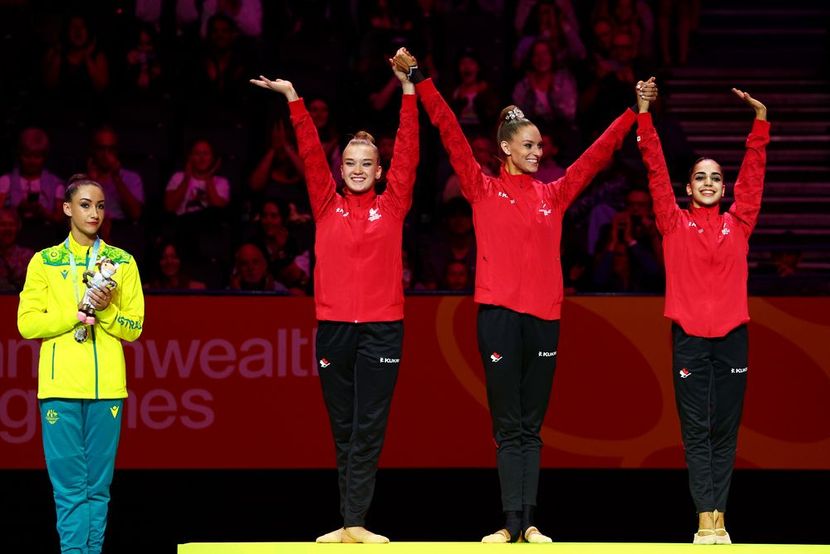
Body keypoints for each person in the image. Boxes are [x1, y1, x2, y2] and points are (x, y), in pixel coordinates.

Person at [393, 47, 656, 543]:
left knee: (531, 427)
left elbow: (596, 156)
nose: (539, 152)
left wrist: (632, 111)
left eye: (540, 145)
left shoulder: (553, 194)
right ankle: (508, 522)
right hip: (496, 315)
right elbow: (449, 130)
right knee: (507, 425)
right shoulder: (480, 187)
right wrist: (420, 79)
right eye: (531, 145)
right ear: (508, 149)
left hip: (543, 318)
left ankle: (527, 522)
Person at [250, 50, 418, 544]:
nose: (357, 169)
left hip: (383, 328)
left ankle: (355, 523)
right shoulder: (325, 205)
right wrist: (293, 99)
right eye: (349, 162)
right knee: (343, 428)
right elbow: (306, 151)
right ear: (340, 167)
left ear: (380, 171)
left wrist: (408, 90)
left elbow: (408, 151)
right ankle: (349, 522)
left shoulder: (392, 205)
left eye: (367, 163)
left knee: (368, 428)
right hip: (334, 328)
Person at [636, 85, 769, 545]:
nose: (708, 182)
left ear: (724, 187)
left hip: (733, 335)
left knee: (724, 428)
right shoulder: (672, 222)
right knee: (696, 429)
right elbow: (654, 167)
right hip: (690, 337)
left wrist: (760, 123)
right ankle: (703, 519)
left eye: (715, 177)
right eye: (700, 177)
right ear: (688, 187)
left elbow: (754, 177)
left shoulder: (741, 222)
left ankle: (721, 518)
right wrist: (644, 114)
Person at [17, 174, 145, 554]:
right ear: (67, 209)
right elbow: (27, 323)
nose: (94, 212)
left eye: (101, 205)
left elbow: (134, 327)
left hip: (108, 388)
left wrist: (105, 313)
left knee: (98, 488)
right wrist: (74, 313)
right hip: (59, 388)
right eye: (86, 204)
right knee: (70, 486)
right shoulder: (45, 262)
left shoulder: (122, 263)